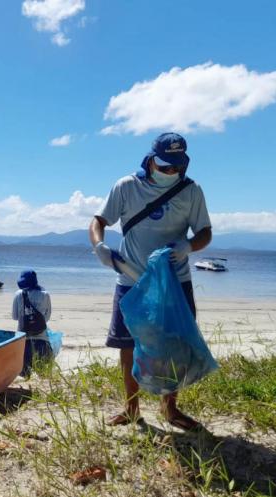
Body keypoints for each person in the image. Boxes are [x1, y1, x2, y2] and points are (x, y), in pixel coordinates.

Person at [89, 132, 212, 431]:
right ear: (151, 159)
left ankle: (170, 409)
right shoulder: (127, 186)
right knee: (128, 344)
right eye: (165, 165)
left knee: (176, 345)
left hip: (174, 281)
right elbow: (98, 221)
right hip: (131, 279)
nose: (171, 172)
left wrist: (188, 247)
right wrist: (100, 247)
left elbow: (205, 232)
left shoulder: (191, 191)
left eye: (177, 166)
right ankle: (131, 409)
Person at [11, 270, 53, 377]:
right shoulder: (45, 294)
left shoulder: (18, 294)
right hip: (41, 341)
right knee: (43, 375)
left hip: (23, 342)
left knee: (25, 376)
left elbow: (15, 317)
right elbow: (46, 318)